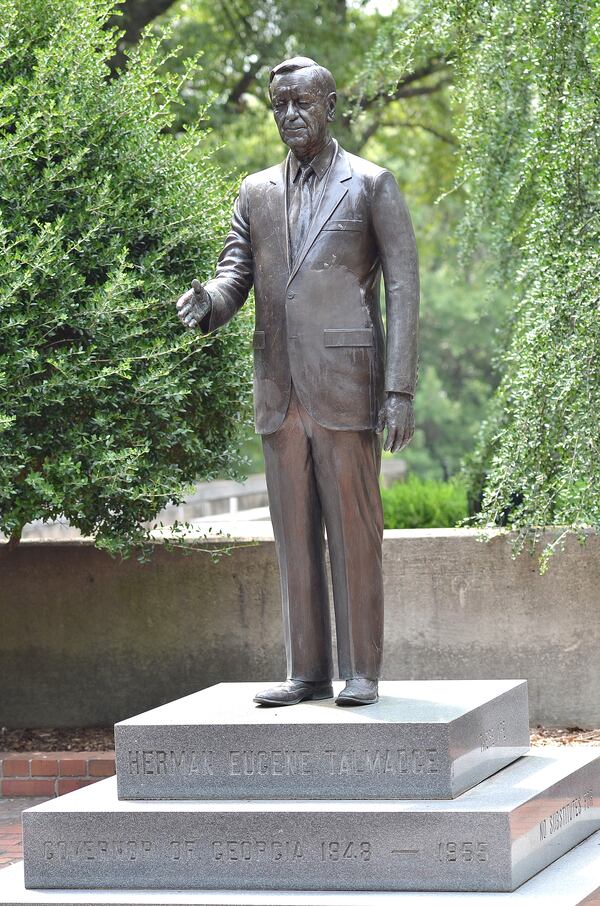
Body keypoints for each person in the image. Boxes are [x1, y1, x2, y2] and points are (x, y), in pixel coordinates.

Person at [176, 57, 419, 707]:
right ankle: (307, 670)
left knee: (354, 534)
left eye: (301, 103)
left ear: (330, 105)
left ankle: (361, 670)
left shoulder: (371, 184)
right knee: (294, 540)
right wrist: (210, 305)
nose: (288, 115)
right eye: (278, 105)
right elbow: (235, 275)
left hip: (347, 384)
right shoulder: (254, 192)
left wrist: (400, 391)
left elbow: (404, 288)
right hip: (279, 388)